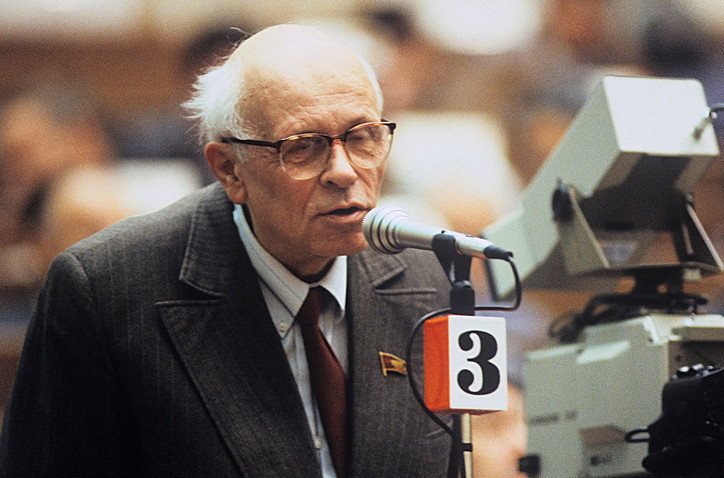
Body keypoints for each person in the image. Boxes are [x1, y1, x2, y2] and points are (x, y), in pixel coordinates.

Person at [0, 24, 454, 477]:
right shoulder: (104, 291)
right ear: (229, 169)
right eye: (303, 148)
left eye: (361, 137)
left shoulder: (428, 275)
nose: (343, 171)